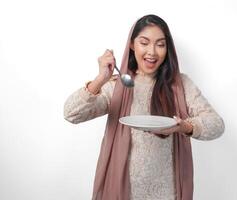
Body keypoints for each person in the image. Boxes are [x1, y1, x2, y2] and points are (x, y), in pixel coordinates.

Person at [64, 14, 225, 200]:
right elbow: (71, 113)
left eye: (160, 44)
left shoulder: (181, 85)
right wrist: (100, 79)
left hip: (168, 192)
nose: (152, 52)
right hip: (122, 191)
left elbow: (217, 125)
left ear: (167, 49)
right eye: (144, 42)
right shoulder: (118, 85)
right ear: (132, 45)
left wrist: (186, 127)